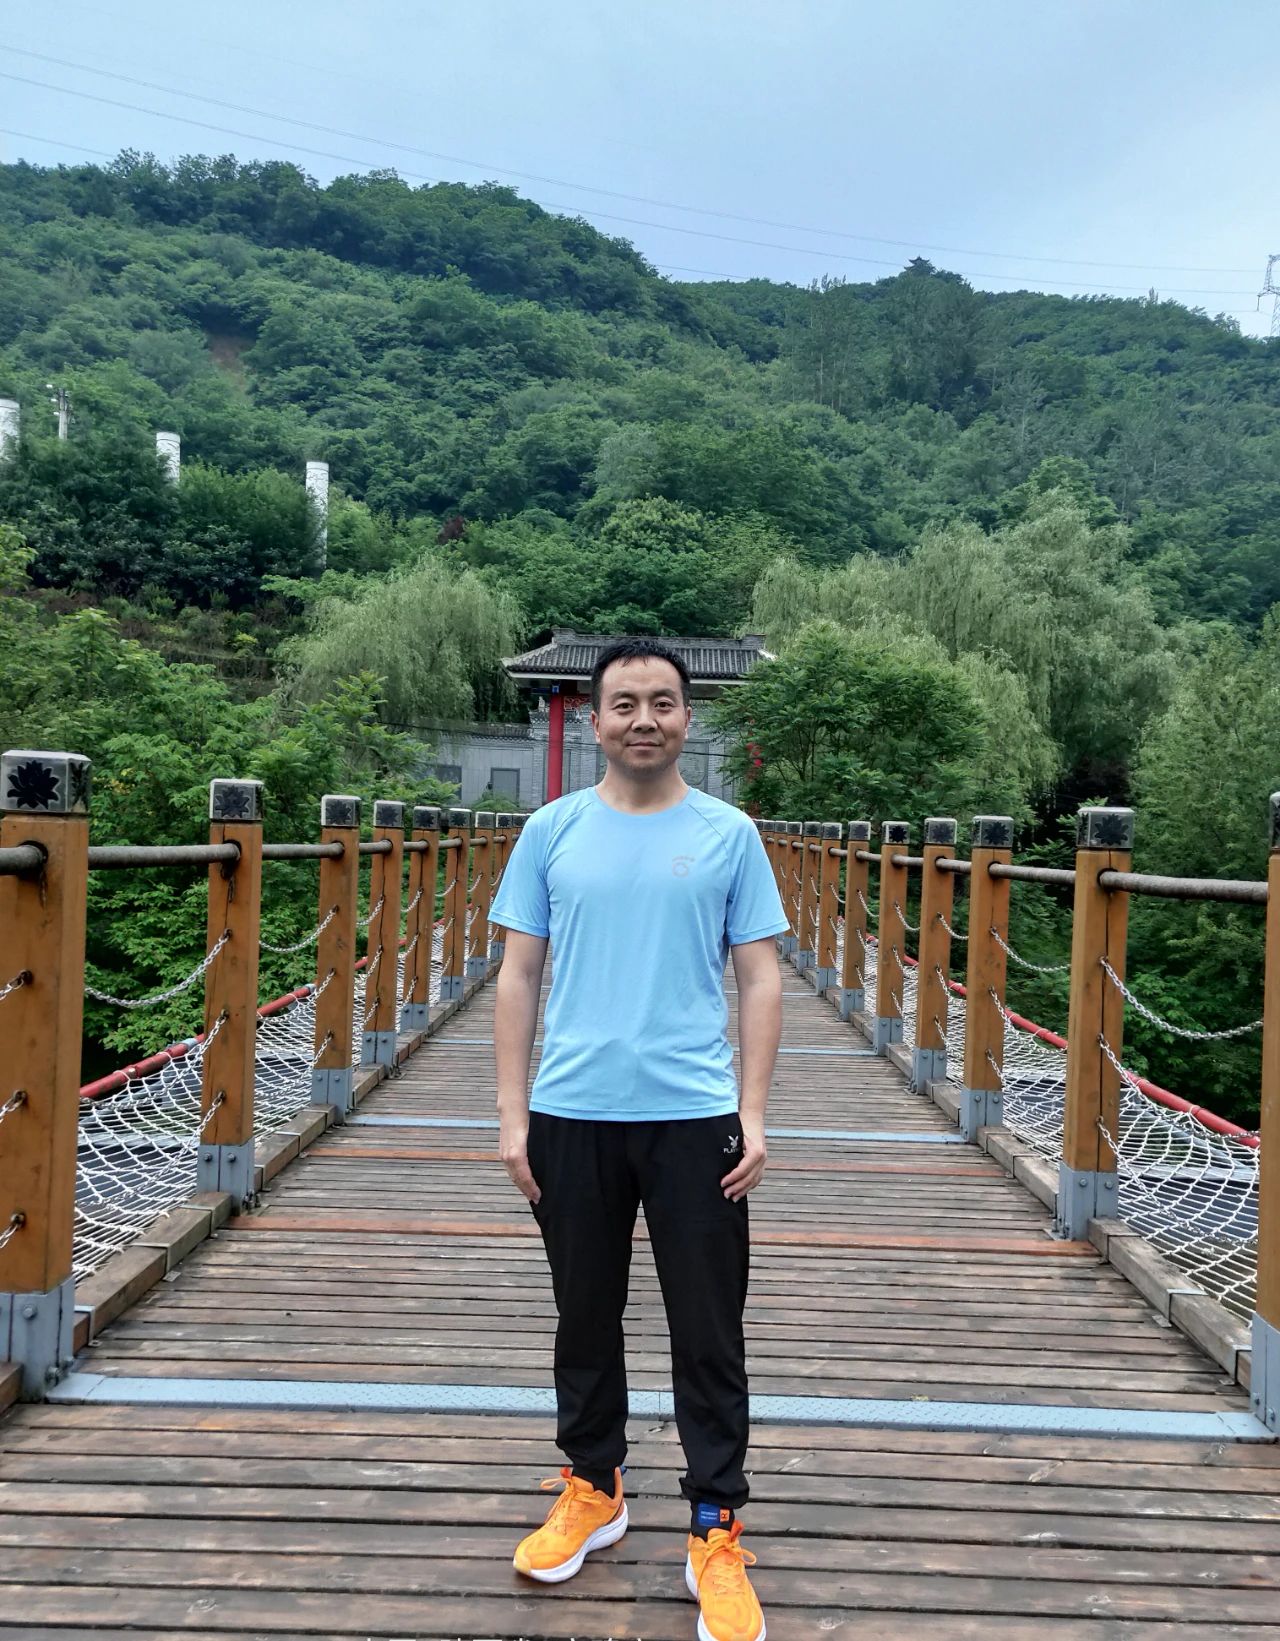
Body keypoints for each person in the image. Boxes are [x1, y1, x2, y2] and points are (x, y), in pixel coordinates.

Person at [490, 636, 786, 1641]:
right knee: (583, 1313)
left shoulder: (729, 834)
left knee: (708, 1327)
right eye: (624, 703)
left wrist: (752, 1112)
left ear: (687, 717)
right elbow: (517, 974)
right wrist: (512, 1115)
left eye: (663, 701)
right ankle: (595, 1484)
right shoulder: (551, 831)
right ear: (594, 717)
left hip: (694, 1116)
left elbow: (759, 976)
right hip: (572, 1112)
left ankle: (714, 1523)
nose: (644, 719)